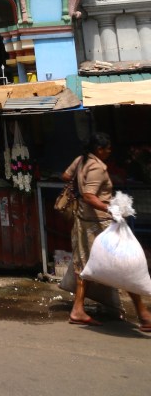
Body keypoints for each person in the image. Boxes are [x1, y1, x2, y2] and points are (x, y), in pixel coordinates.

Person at [63, 132, 151, 329]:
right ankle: (143, 314)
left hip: (83, 221)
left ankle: (78, 309)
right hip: (98, 224)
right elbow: (89, 195)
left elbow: (66, 175)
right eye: (107, 148)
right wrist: (110, 208)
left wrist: (78, 183)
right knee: (124, 263)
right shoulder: (96, 167)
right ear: (99, 149)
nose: (110, 151)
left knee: (84, 265)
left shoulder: (81, 160)